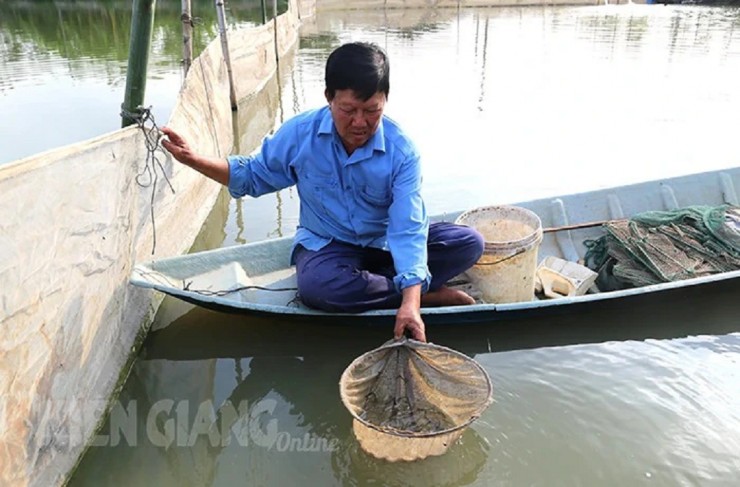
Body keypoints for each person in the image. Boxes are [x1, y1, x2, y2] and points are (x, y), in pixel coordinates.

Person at [161, 42, 484, 342]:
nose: (360, 122)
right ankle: (422, 293)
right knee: (320, 289)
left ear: (385, 100)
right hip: (328, 244)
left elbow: (407, 227)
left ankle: (395, 288)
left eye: (372, 111)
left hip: (384, 244)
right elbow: (253, 176)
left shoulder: (402, 152)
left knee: (468, 242)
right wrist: (193, 159)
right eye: (348, 109)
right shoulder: (301, 134)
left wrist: (409, 305)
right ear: (329, 97)